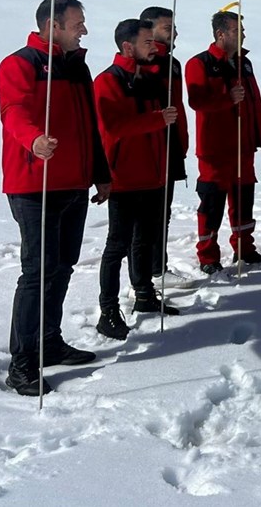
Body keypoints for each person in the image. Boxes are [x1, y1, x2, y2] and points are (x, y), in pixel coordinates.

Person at [0, 0, 107, 396]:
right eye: (78, 23)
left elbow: (89, 126)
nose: (84, 30)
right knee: (37, 273)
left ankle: (50, 341)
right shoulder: (20, 63)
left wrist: (101, 173)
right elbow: (14, 111)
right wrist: (34, 140)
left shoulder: (78, 68)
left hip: (74, 184)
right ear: (53, 25)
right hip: (34, 185)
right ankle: (22, 364)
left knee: (62, 268)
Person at [92, 19, 181, 341]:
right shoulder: (108, 80)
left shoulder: (148, 78)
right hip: (124, 178)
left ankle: (144, 294)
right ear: (127, 46)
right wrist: (156, 120)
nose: (154, 47)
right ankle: (108, 310)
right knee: (116, 246)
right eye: (147, 42)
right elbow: (112, 127)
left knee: (144, 239)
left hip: (153, 176)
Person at [185, 10, 261, 273]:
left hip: (244, 147)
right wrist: (227, 98)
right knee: (212, 204)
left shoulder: (244, 63)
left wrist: (257, 133)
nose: (243, 34)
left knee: (244, 201)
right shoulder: (200, 63)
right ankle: (208, 257)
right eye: (237, 30)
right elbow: (197, 101)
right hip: (214, 149)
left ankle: (244, 249)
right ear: (221, 34)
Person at [138, 6, 188, 279]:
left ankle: (158, 268)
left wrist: (182, 139)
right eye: (168, 28)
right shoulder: (145, 60)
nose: (175, 33)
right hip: (150, 147)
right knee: (150, 215)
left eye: (175, 28)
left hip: (171, 143)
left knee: (163, 211)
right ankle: (149, 273)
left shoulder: (173, 62)